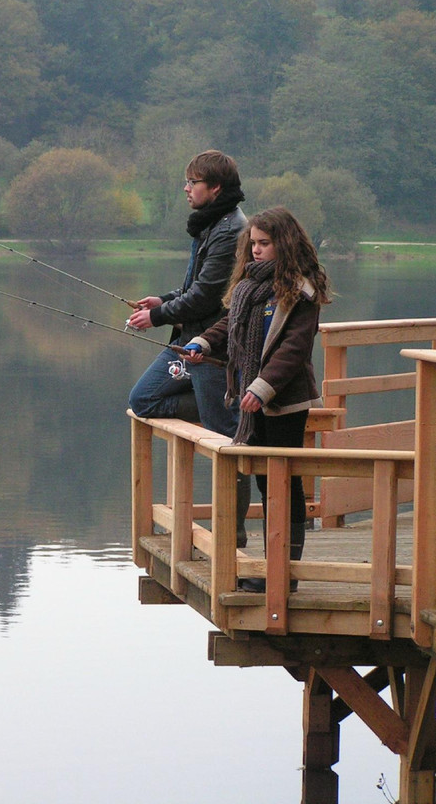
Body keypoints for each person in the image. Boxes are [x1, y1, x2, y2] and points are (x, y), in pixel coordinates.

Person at [183, 207, 332, 592]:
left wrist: (261, 387)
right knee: (267, 484)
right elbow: (227, 323)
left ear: (284, 244)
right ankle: (273, 569)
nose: (256, 251)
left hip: (284, 401)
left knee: (285, 483)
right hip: (251, 399)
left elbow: (294, 350)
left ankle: (286, 575)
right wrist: (203, 340)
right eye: (253, 244)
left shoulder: (302, 291)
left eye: (264, 244)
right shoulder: (248, 286)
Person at [126, 149, 250, 545]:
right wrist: (162, 302)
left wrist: (159, 317)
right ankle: (232, 405)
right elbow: (192, 288)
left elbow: (207, 296)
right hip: (188, 340)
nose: (186, 189)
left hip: (211, 347)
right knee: (143, 399)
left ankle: (235, 538)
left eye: (192, 182)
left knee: (228, 437)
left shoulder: (231, 230)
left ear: (214, 188)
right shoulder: (210, 223)